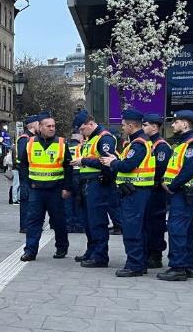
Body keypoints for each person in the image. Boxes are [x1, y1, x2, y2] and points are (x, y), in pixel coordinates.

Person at [100, 109, 155, 277]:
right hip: (136, 191)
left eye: (123, 125)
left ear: (131, 125)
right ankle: (140, 263)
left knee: (132, 229)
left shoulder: (138, 144)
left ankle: (134, 265)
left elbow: (127, 166)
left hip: (135, 192)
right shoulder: (139, 142)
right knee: (139, 228)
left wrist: (113, 162)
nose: (122, 128)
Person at [157, 110, 193, 281]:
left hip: (185, 191)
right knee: (185, 228)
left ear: (185, 124)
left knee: (176, 227)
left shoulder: (192, 143)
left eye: (175, 122)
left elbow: (188, 170)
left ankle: (178, 267)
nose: (172, 125)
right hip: (184, 191)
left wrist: (172, 186)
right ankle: (187, 265)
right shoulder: (183, 143)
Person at [19, 114, 71, 261]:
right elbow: (23, 165)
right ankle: (30, 251)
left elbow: (68, 167)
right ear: (40, 127)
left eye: (53, 126)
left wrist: (67, 187)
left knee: (58, 221)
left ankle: (61, 247)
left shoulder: (61, 143)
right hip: (36, 189)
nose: (52, 128)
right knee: (33, 221)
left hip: (55, 189)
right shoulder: (30, 143)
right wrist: (28, 183)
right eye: (48, 126)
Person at [71, 110, 117, 267]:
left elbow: (106, 161)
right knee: (88, 221)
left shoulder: (104, 138)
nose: (81, 132)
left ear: (90, 123)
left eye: (82, 129)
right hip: (87, 184)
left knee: (97, 221)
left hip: (98, 184)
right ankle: (91, 251)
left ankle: (100, 256)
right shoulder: (90, 139)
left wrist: (83, 161)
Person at [142, 113, 171, 269]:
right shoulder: (147, 143)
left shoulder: (161, 146)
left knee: (155, 223)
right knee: (146, 223)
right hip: (147, 190)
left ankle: (155, 255)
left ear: (154, 127)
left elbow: (160, 169)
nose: (143, 127)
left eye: (145, 125)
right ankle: (147, 252)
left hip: (157, 190)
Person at [16, 115, 40, 234]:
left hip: (33, 175)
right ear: (33, 125)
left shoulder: (33, 138)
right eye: (39, 123)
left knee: (33, 202)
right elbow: (22, 157)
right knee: (26, 201)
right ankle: (25, 226)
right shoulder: (24, 139)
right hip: (26, 176)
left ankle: (30, 224)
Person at [63, 132, 84, 233]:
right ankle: (79, 225)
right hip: (79, 175)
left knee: (67, 201)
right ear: (80, 138)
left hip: (67, 175)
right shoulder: (81, 147)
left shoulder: (64, 146)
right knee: (79, 201)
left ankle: (68, 225)